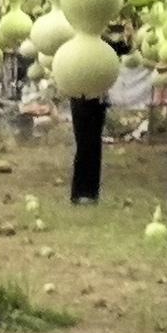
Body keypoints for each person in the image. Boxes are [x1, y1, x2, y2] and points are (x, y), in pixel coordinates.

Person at [72, 29, 133, 204]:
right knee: (85, 144)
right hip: (81, 96)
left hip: (96, 99)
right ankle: (82, 193)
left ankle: (89, 193)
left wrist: (130, 35)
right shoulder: (78, 43)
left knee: (92, 144)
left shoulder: (102, 42)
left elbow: (123, 48)